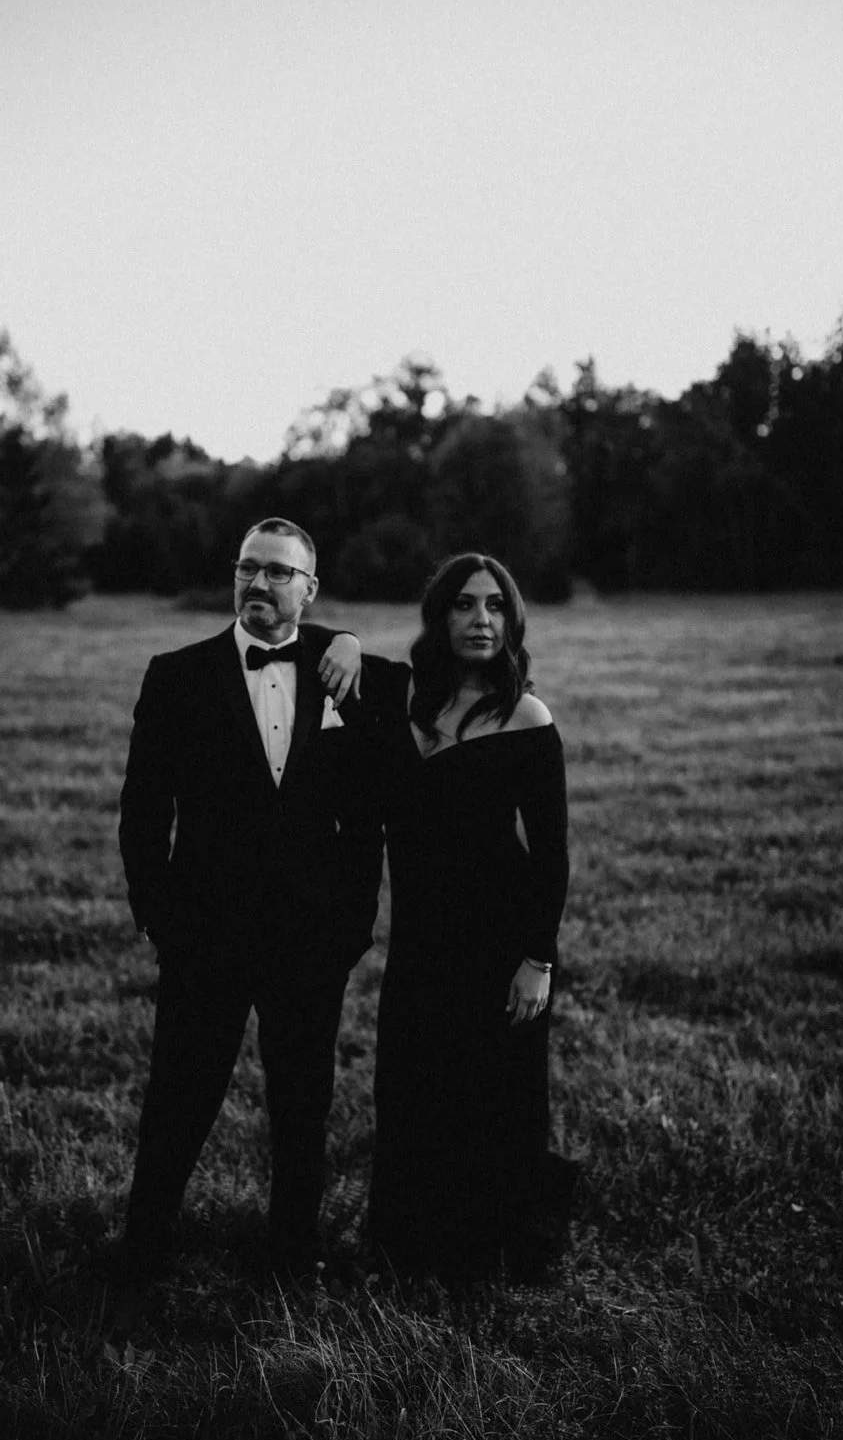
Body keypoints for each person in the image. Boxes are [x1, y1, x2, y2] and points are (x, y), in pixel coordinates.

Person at [115, 518, 381, 1284]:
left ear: (309, 588)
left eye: (277, 573)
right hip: (206, 933)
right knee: (178, 1099)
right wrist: (158, 916)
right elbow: (142, 809)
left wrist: (351, 923)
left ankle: (291, 1259)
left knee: (303, 1106)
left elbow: (366, 816)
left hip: (311, 936)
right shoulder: (177, 674)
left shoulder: (342, 672)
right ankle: (140, 1260)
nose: (258, 584)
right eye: (247, 569)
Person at [356, 553, 571, 1283]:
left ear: (511, 621)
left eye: (494, 606)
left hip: (498, 941)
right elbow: (313, 646)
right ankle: (406, 1244)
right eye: (463, 605)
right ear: (439, 616)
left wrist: (537, 958)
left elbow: (550, 855)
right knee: (413, 1089)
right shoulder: (398, 696)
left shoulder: (527, 716)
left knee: (489, 1098)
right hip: (419, 940)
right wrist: (348, 645)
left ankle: (483, 1249)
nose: (480, 619)